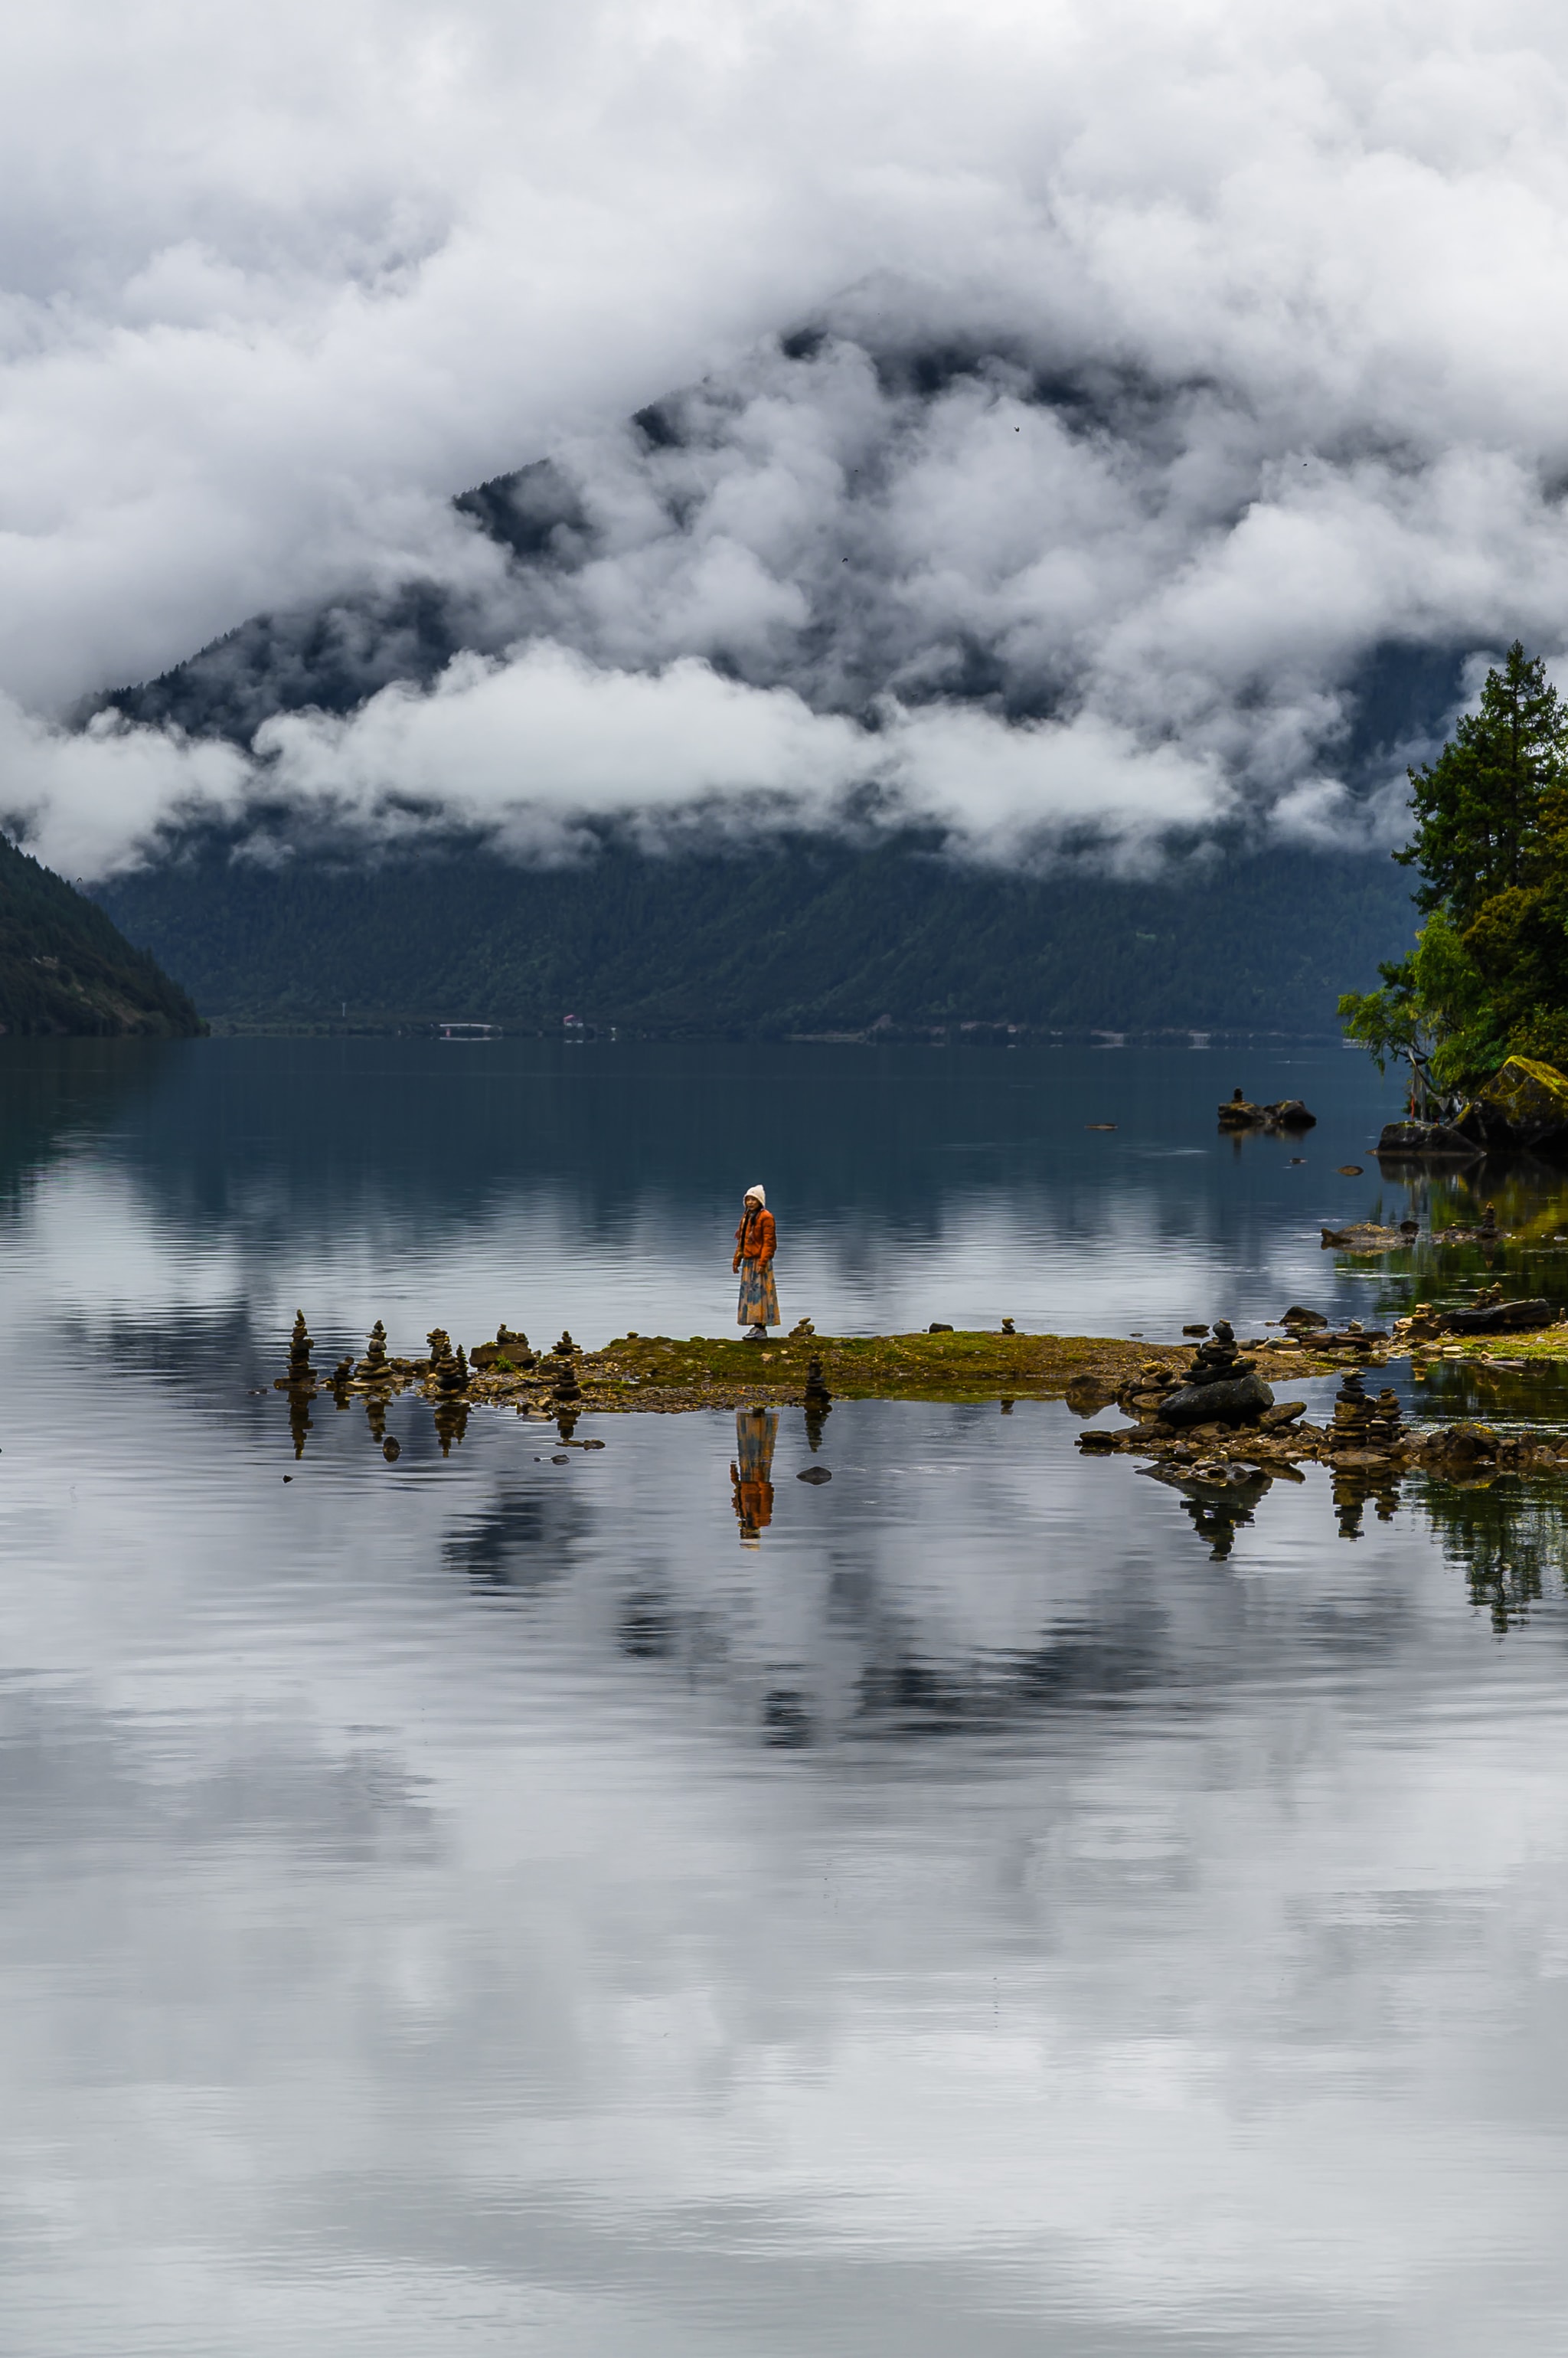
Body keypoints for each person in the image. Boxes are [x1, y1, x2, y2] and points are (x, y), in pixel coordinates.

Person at [733, 1184, 779, 1340]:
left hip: (760, 1261)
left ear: (760, 1201)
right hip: (749, 1260)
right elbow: (742, 1241)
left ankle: (761, 1328)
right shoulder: (747, 1217)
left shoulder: (766, 1217)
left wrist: (763, 1262)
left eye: (753, 1199)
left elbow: (769, 1242)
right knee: (750, 1295)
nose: (750, 1202)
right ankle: (755, 1326)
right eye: (748, 1199)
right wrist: (737, 1260)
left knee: (761, 1294)